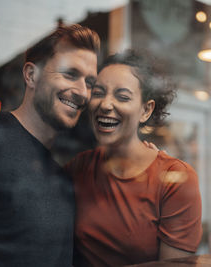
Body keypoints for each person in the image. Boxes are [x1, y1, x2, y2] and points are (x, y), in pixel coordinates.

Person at [0, 24, 100, 267]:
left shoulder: (62, 180)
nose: (82, 92)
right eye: (70, 74)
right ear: (31, 75)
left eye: (90, 82)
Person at [65, 50, 202, 266]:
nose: (105, 104)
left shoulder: (174, 179)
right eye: (99, 93)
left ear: (146, 110)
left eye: (122, 97)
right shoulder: (78, 168)